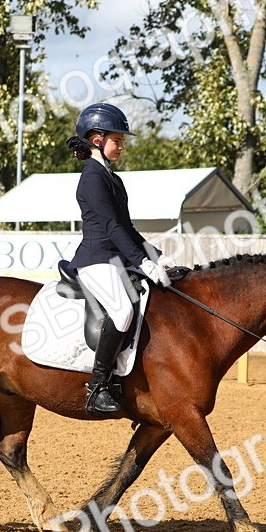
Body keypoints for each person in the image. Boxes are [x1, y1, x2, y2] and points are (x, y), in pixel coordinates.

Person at [66, 102, 170, 416]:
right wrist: (141, 261)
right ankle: (97, 386)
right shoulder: (92, 178)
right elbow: (110, 227)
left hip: (115, 258)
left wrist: (154, 257)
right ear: (96, 139)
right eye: (117, 140)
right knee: (123, 310)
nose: (122, 146)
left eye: (122, 141)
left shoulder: (113, 178)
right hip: (96, 258)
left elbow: (127, 227)